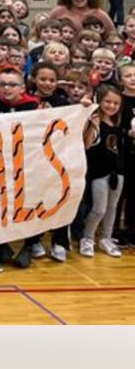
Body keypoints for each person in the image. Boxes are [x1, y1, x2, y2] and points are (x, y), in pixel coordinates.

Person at [80, 85, 124, 258]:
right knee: (99, 209)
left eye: (115, 103)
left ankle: (106, 238)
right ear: (99, 101)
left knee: (112, 209)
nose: (111, 106)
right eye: (107, 101)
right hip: (99, 174)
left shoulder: (117, 123)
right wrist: (92, 125)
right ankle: (88, 238)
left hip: (118, 173)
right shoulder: (95, 122)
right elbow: (87, 145)